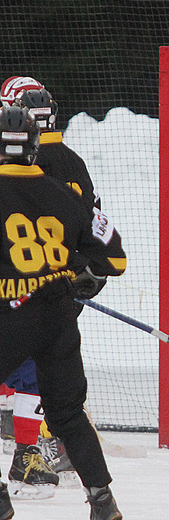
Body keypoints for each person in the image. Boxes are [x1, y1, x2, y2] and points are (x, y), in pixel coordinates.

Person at [0, 105, 127, 520]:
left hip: (10, 314)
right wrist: (83, 276)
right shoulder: (63, 194)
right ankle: (102, 499)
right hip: (58, 315)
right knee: (68, 410)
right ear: (33, 147)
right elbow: (114, 256)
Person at [3, 80, 105, 496]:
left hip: (19, 287)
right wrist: (88, 272)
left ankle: (30, 446)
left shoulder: (24, 169)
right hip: (61, 284)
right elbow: (100, 233)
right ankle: (42, 440)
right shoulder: (72, 161)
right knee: (44, 372)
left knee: (28, 367)